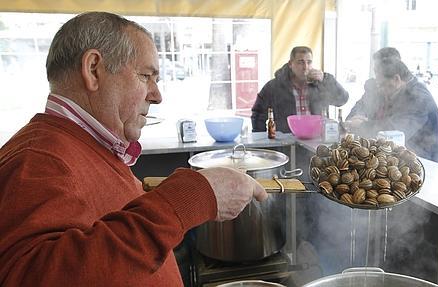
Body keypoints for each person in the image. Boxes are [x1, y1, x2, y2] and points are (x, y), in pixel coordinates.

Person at [0, 12, 267, 286]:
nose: (157, 95)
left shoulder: (89, 147)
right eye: (146, 76)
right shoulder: (36, 159)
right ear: (93, 69)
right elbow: (31, 277)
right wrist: (187, 200)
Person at [346, 47, 438, 163]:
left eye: (382, 84)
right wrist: (358, 117)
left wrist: (363, 125)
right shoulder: (394, 89)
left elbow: (395, 130)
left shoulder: (419, 98)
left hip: (423, 162)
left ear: (396, 79)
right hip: (396, 159)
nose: (379, 89)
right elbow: (363, 105)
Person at [251, 46, 349, 133]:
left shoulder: (320, 84)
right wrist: (262, 141)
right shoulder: (274, 86)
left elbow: (342, 100)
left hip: (316, 141)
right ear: (290, 64)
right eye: (300, 62)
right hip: (286, 143)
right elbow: (258, 114)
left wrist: (325, 79)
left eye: (309, 62)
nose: (305, 67)